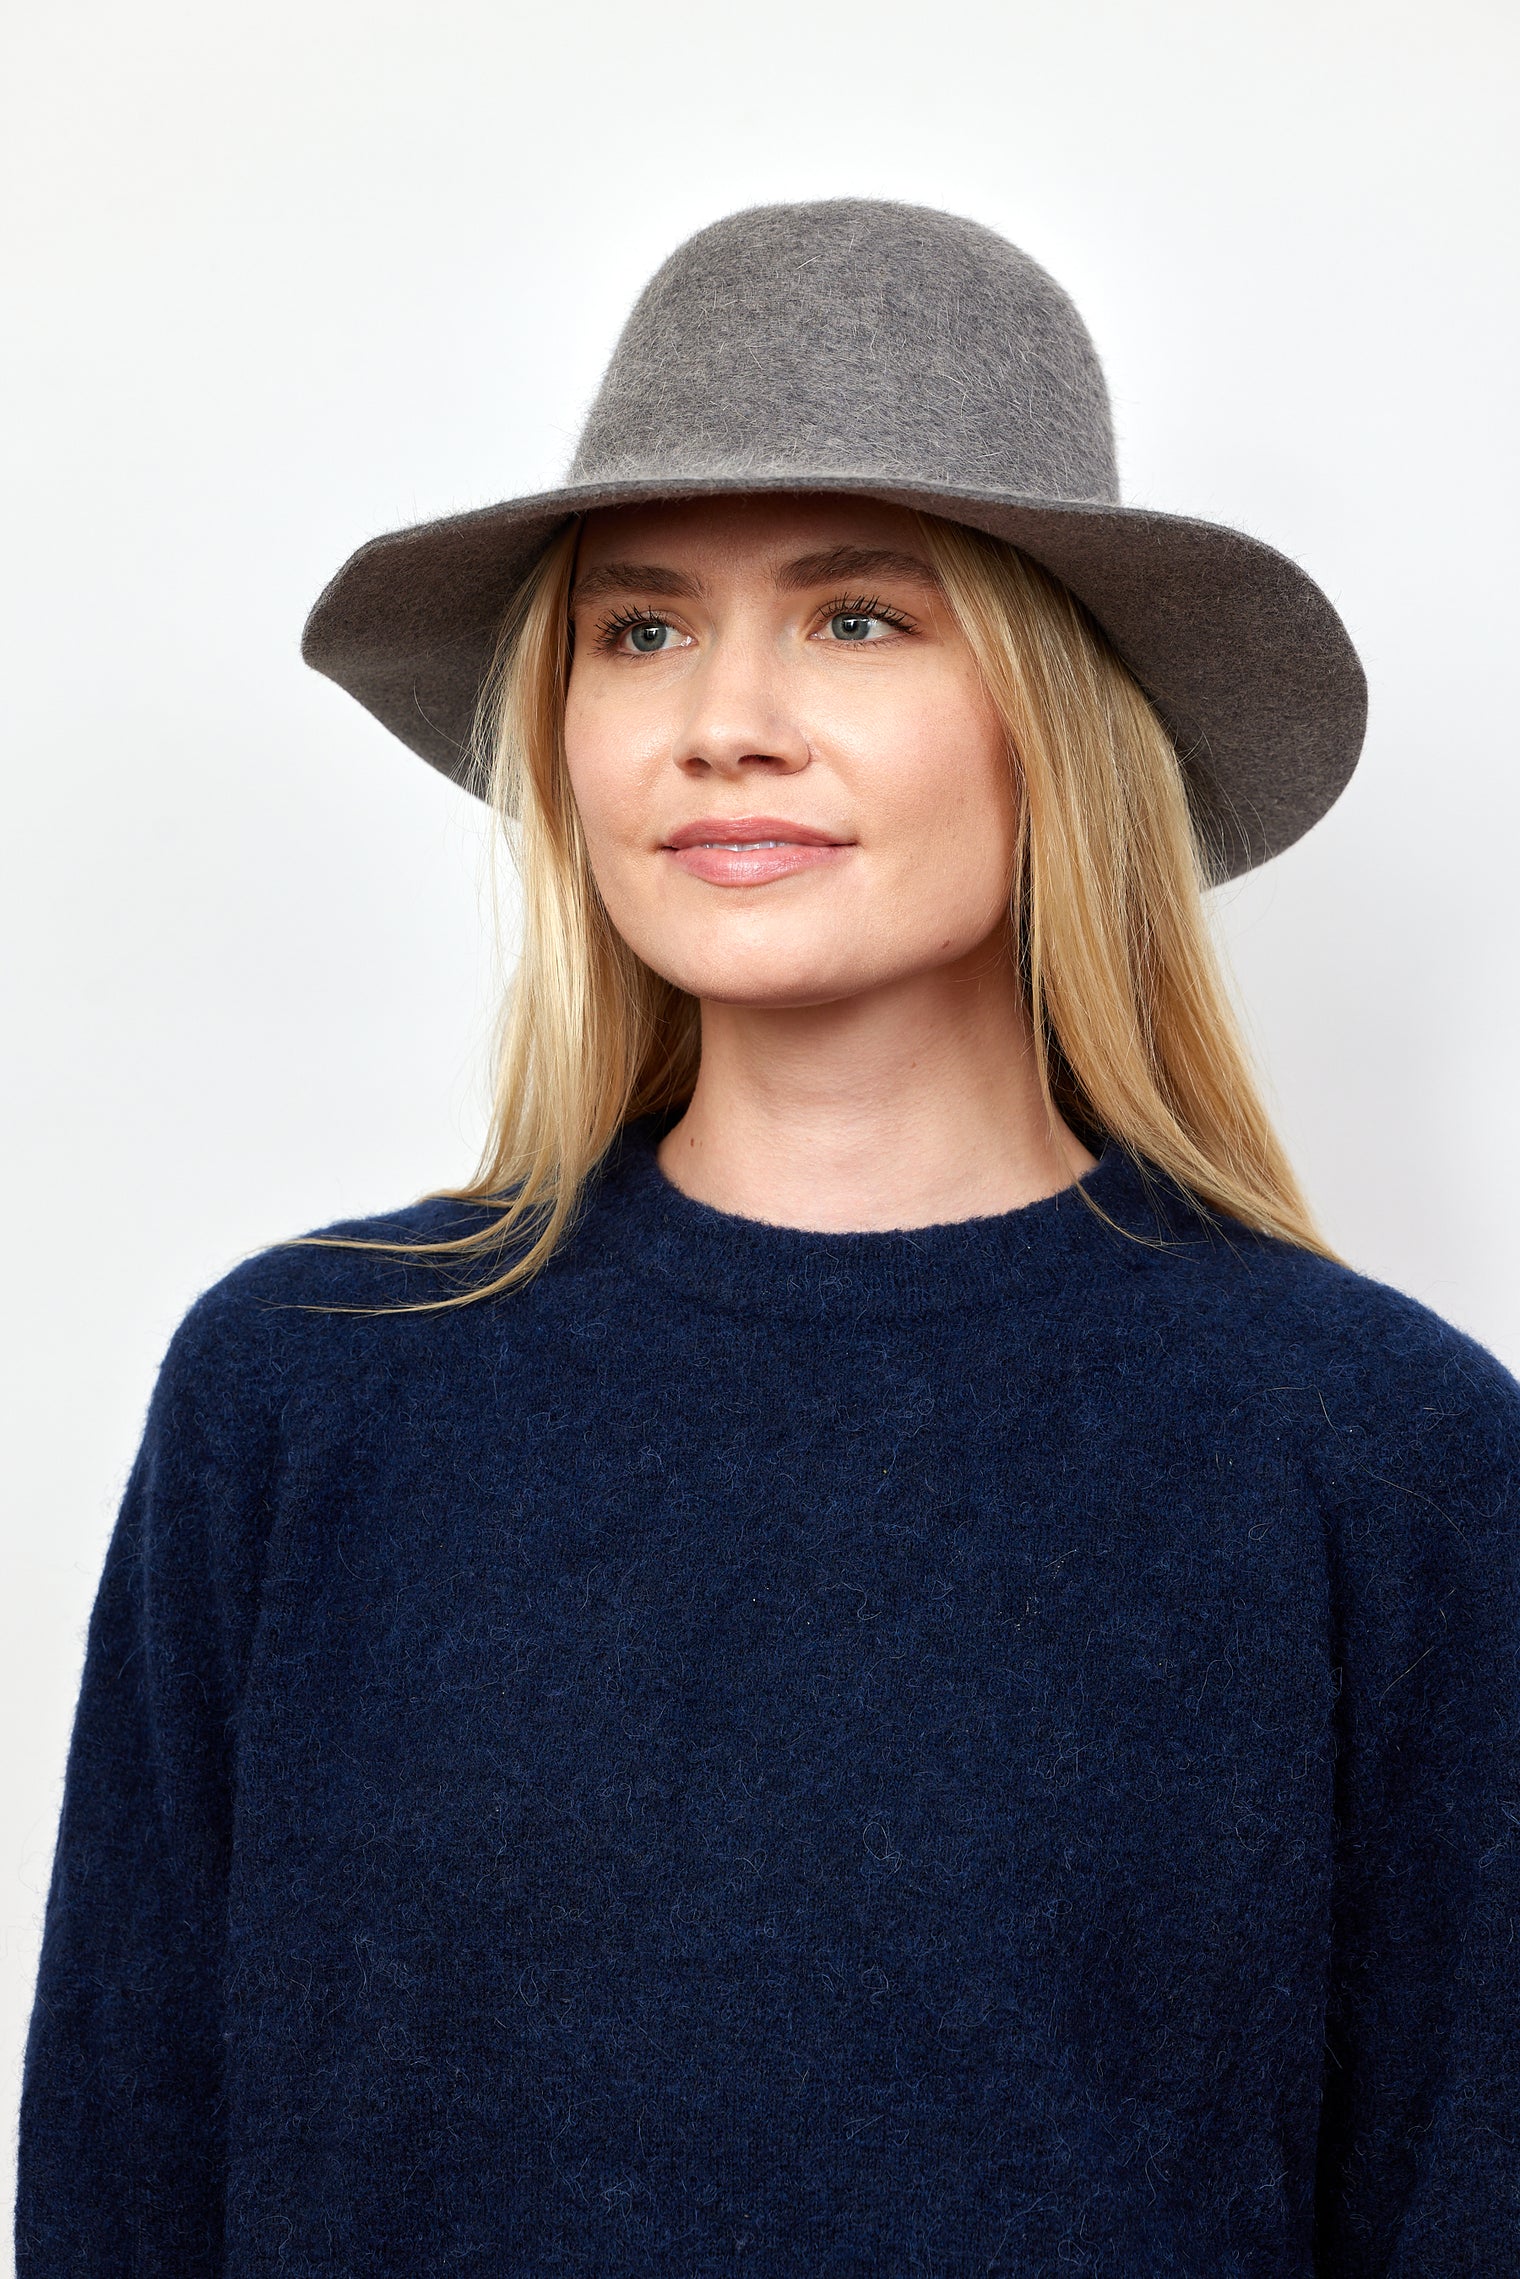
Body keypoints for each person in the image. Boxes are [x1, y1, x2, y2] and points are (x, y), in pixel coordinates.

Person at [16, 200, 1518, 2276]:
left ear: (1053, 721)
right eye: (636, 631)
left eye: (859, 618)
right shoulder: (307, 1384)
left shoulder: (1374, 1450)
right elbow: (120, 2169)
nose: (722, 718)